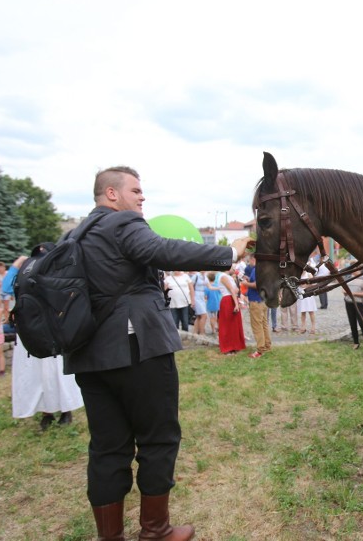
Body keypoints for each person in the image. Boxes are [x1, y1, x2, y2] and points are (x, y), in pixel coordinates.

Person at [66, 166, 238, 541]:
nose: (142, 197)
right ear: (112, 194)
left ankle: (109, 537)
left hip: (90, 354)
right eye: (136, 189)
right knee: (158, 438)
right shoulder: (122, 223)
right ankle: (156, 531)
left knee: (107, 448)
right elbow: (161, 249)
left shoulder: (77, 234)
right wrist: (228, 252)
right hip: (137, 348)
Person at [4, 256, 84, 430]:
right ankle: (46, 413)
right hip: (30, 333)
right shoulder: (23, 280)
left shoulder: (54, 278)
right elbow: (5, 288)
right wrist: (17, 264)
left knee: (57, 374)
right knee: (36, 375)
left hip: (52, 333)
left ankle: (65, 410)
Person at [241, 257, 271, 358]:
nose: (249, 262)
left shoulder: (256, 269)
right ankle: (267, 345)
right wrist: (249, 280)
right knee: (264, 324)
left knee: (257, 326)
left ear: (254, 259)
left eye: (249, 260)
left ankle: (260, 350)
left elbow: (257, 284)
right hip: (263, 300)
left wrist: (246, 283)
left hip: (255, 301)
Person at [216, 267, 246, 354]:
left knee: (234, 324)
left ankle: (235, 345)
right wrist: (236, 303)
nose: (233, 268)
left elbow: (236, 290)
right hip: (228, 300)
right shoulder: (223, 276)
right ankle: (228, 347)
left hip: (232, 299)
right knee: (227, 324)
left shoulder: (228, 277)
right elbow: (232, 290)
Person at [343, 270, 363, 350]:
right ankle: (356, 343)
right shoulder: (348, 280)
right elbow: (343, 290)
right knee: (352, 323)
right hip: (349, 303)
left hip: (359, 303)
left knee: (362, 323)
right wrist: (346, 293)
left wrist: (354, 294)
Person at [298, 269, 318, 334]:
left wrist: (307, 285)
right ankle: (303, 327)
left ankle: (313, 327)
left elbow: (314, 284)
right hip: (301, 294)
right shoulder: (298, 274)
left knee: (311, 311)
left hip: (308, 294)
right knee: (302, 312)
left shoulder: (308, 274)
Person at [190, 271, 209, 336]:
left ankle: (195, 332)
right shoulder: (196, 276)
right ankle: (202, 332)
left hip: (202, 295)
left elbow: (208, 286)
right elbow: (190, 285)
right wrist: (192, 298)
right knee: (204, 315)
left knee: (199, 316)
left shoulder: (205, 276)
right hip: (196, 295)